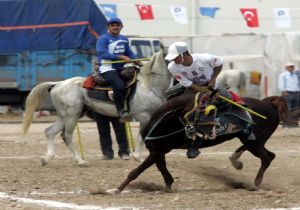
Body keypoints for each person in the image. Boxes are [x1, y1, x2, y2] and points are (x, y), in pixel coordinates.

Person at [165, 41, 255, 159]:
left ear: (185, 54)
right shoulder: (172, 66)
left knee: (228, 101)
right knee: (172, 97)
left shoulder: (204, 58)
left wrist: (213, 80)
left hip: (213, 86)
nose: (173, 60)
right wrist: (204, 91)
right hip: (193, 89)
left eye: (175, 57)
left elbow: (220, 61)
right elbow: (188, 83)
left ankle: (247, 126)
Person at [96, 17, 141, 122]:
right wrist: (121, 57)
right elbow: (103, 54)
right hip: (107, 68)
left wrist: (137, 60)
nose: (115, 27)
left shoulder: (124, 39)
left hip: (121, 67)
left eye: (117, 25)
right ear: (108, 27)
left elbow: (129, 53)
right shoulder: (102, 39)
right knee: (119, 85)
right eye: (112, 25)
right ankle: (121, 110)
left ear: (121, 26)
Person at [278, 62, 300, 126]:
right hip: (288, 93)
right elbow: (281, 84)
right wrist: (284, 91)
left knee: (295, 109)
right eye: (290, 66)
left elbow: (297, 84)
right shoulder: (283, 75)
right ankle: (287, 123)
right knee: (288, 108)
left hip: (296, 93)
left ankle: (294, 123)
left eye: (292, 66)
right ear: (286, 67)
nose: (291, 68)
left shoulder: (295, 75)